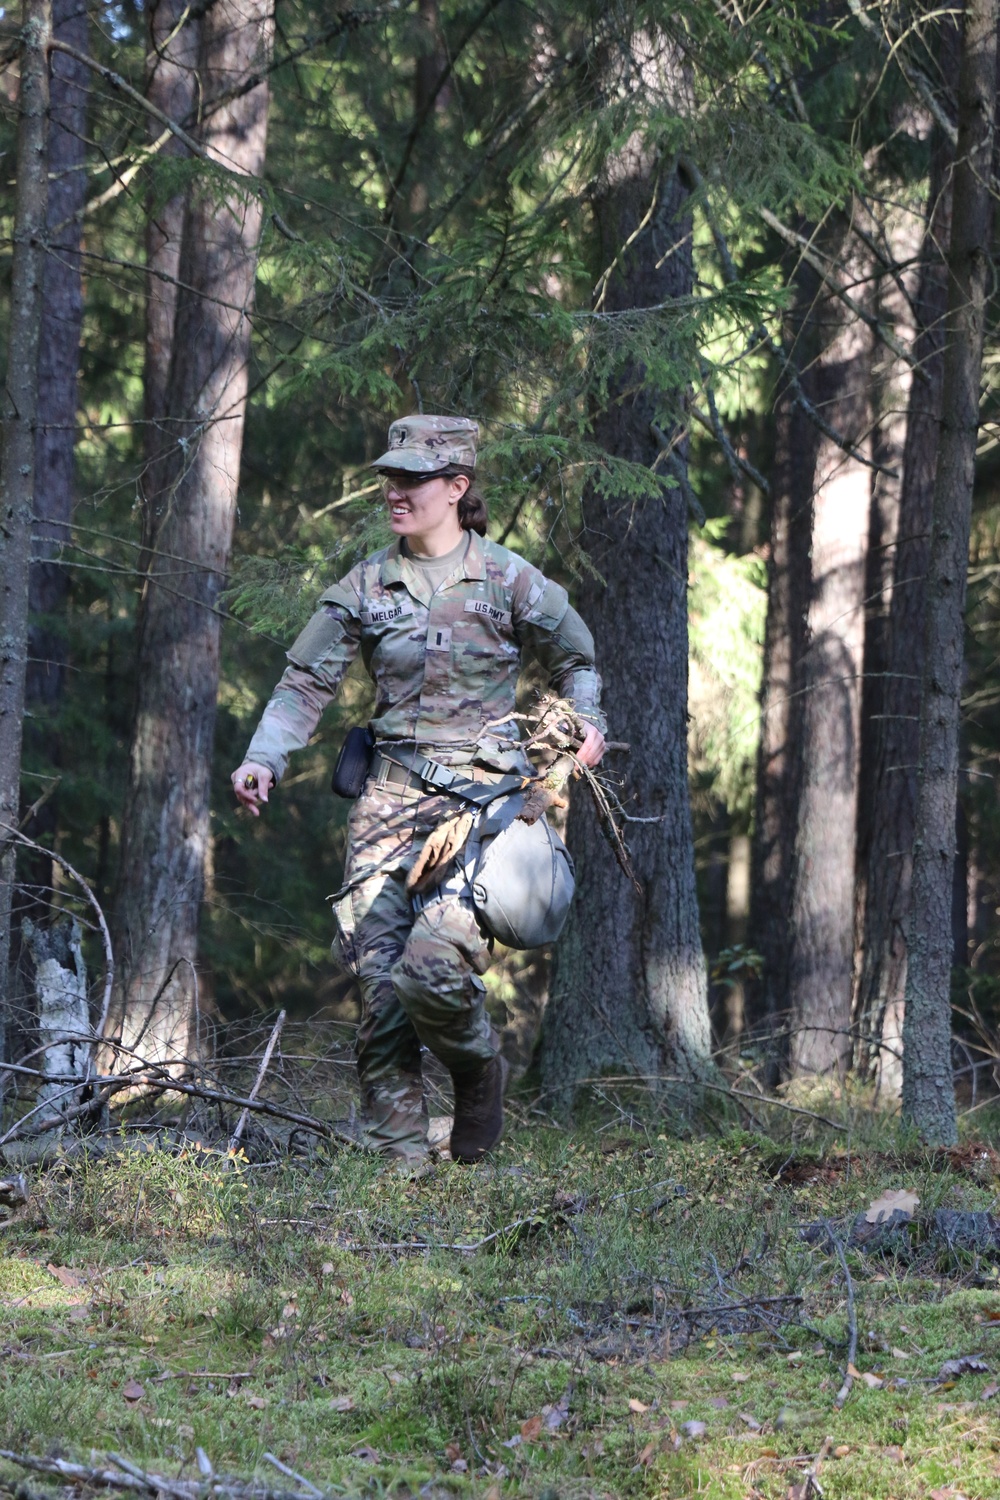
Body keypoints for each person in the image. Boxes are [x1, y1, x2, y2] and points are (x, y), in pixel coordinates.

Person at [232, 415, 606, 1166]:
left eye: (412, 479)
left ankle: (477, 1069)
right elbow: (305, 683)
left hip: (481, 812)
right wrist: (263, 756)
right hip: (387, 808)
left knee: (432, 970)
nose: (393, 491)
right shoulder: (366, 585)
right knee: (379, 992)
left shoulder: (509, 579)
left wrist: (586, 721)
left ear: (457, 487)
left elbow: (578, 657)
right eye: (388, 478)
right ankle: (394, 1167)